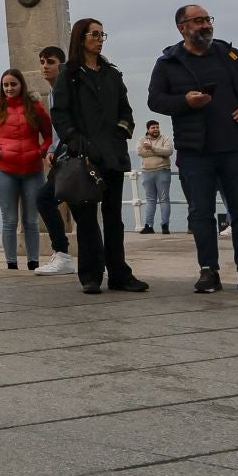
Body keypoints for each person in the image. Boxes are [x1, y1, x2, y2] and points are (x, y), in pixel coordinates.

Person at [147, 4, 238, 294]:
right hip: (195, 151)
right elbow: (155, 101)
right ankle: (208, 271)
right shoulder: (168, 62)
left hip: (235, 146)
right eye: (198, 21)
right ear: (182, 27)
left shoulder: (228, 54)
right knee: (200, 213)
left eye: (207, 20)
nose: (205, 25)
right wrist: (185, 102)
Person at [50, 20, 149, 295]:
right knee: (87, 219)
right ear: (81, 38)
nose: (100, 38)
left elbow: (126, 112)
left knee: (114, 218)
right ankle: (91, 275)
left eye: (102, 34)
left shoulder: (112, 75)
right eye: (95, 34)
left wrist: (120, 135)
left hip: (113, 156)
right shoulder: (67, 74)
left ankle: (119, 273)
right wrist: (78, 142)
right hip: (83, 158)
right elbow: (59, 114)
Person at [0, 69, 53, 271]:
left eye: (13, 84)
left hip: (33, 170)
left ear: (21, 85)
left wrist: (41, 151)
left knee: (31, 220)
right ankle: (11, 263)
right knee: (10, 220)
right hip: (5, 171)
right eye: (6, 85)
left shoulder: (35, 107)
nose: (9, 88)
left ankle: (33, 262)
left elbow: (49, 135)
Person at [33, 45, 77, 277]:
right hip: (61, 157)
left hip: (72, 157)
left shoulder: (66, 89)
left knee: (45, 199)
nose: (45, 66)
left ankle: (63, 255)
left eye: (50, 61)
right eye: (42, 62)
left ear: (61, 64)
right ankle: (62, 254)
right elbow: (56, 129)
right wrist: (51, 148)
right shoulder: (52, 93)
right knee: (47, 200)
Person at [135, 120, 173, 236]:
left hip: (163, 171)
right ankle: (148, 226)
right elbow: (140, 152)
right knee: (150, 200)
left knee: (164, 199)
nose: (155, 129)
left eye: (157, 127)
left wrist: (151, 148)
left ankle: (165, 225)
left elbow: (169, 151)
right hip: (147, 172)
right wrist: (159, 152)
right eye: (153, 127)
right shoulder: (142, 140)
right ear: (148, 129)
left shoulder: (165, 139)